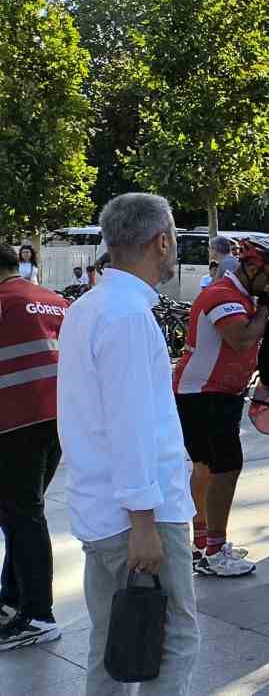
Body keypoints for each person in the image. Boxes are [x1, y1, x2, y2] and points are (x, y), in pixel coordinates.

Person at [57, 193, 200, 694]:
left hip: (104, 510)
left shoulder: (91, 306)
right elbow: (131, 425)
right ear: (162, 241)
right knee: (174, 639)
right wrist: (144, 522)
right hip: (137, 517)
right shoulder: (126, 315)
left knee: (114, 644)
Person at [173, 236, 269, 577]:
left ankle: (202, 542)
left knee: (207, 466)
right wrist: (267, 309)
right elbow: (241, 338)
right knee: (225, 468)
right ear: (252, 267)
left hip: (212, 392)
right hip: (205, 393)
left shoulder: (240, 295)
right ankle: (213, 549)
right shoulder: (222, 295)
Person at [0, 243, 70, 650]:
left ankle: (39, 615)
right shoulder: (54, 301)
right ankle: (12, 596)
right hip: (57, 421)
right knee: (20, 512)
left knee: (23, 517)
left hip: (12, 424)